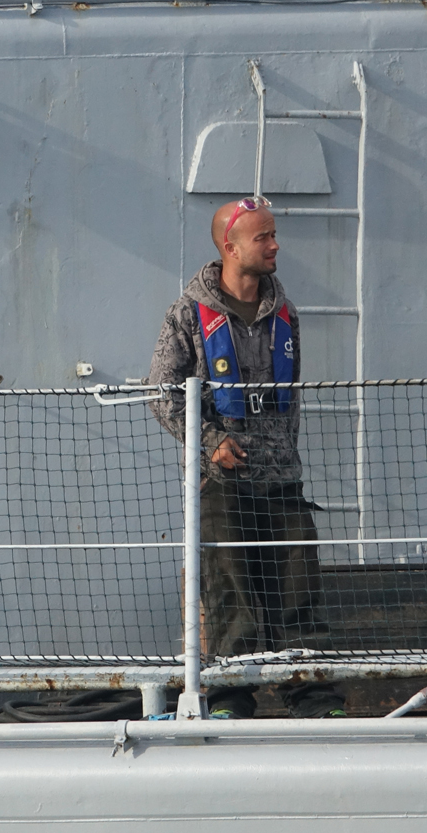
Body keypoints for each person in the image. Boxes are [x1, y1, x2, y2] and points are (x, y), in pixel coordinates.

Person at [148, 196, 344, 719]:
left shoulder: (284, 313)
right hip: (223, 483)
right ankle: (233, 698)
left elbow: (291, 398)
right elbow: (162, 394)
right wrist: (212, 441)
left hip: (281, 481)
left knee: (299, 591)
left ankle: (314, 697)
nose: (276, 245)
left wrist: (285, 458)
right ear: (230, 247)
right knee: (231, 591)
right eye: (264, 238)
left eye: (274, 235)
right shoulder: (188, 314)